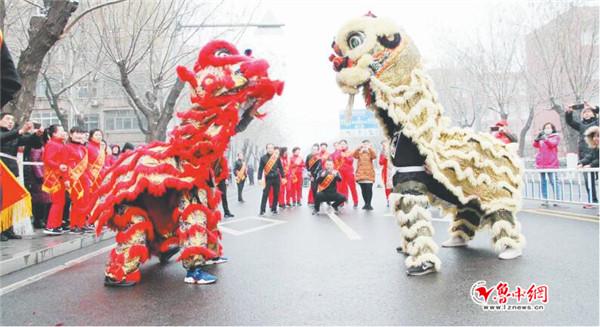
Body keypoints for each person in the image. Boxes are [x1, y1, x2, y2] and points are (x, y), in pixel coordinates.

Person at [0, 113, 43, 240]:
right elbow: (3, 138)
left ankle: (8, 229)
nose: (10, 122)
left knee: (11, 200)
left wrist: (36, 135)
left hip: (11, 170)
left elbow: (33, 144)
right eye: (7, 119)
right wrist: (20, 131)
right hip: (1, 171)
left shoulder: (15, 135)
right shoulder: (9, 134)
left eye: (12, 119)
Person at [566, 102, 599, 206]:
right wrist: (569, 112)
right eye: (584, 112)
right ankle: (592, 200)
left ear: (594, 113)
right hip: (585, 155)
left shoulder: (597, 123)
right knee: (588, 180)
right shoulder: (581, 125)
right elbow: (570, 122)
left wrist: (594, 107)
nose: (587, 113)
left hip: (597, 154)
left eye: (589, 111)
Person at [42, 125, 69, 235]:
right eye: (61, 130)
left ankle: (57, 225)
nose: (63, 132)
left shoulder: (61, 144)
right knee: (57, 202)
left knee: (61, 202)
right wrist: (59, 166)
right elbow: (47, 160)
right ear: (54, 134)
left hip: (60, 176)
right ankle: (51, 226)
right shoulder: (52, 144)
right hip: (54, 177)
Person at [64, 126, 89, 234]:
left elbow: (86, 166)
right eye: (77, 133)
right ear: (71, 135)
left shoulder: (83, 149)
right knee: (76, 202)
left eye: (81, 133)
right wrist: (66, 179)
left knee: (84, 202)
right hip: (73, 178)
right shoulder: (67, 147)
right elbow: (64, 163)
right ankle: (74, 225)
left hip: (84, 178)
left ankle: (82, 223)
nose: (79, 135)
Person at [533, 123, 561, 205]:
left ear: (552, 128)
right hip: (542, 164)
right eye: (545, 128)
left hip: (551, 163)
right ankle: (545, 199)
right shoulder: (542, 137)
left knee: (554, 182)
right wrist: (537, 139)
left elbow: (552, 144)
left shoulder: (556, 137)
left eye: (549, 127)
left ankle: (557, 199)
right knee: (543, 182)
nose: (547, 129)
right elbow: (535, 145)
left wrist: (545, 139)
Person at [258, 143, 285, 215]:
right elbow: (260, 169)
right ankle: (262, 210)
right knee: (265, 194)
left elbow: (281, 168)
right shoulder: (263, 158)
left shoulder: (276, 157)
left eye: (271, 148)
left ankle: (274, 208)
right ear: (266, 149)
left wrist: (283, 176)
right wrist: (259, 178)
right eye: (268, 148)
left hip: (276, 178)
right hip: (268, 178)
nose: (270, 149)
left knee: (276, 194)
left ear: (273, 149)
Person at [577, 125, 599, 208]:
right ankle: (593, 200)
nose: (595, 138)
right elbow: (589, 156)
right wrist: (581, 163)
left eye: (598, 136)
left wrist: (591, 165)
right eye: (593, 136)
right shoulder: (594, 148)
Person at [353, 140, 377, 210]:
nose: (365, 145)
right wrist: (358, 148)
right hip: (361, 173)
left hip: (369, 173)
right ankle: (366, 203)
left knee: (369, 189)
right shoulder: (359, 152)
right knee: (363, 189)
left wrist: (369, 148)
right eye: (364, 144)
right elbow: (354, 155)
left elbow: (375, 156)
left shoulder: (370, 152)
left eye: (367, 144)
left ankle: (369, 204)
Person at [337, 140, 359, 208]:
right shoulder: (338, 153)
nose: (342, 145)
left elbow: (350, 161)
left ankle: (355, 201)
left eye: (344, 144)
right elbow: (335, 162)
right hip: (341, 172)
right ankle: (341, 202)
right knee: (340, 187)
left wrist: (345, 156)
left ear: (347, 145)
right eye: (341, 144)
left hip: (349, 172)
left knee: (352, 187)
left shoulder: (349, 152)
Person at [379, 140, 392, 206]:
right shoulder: (382, 153)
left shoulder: (393, 149)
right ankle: (388, 199)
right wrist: (385, 158)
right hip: (386, 172)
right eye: (383, 143)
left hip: (393, 170)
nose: (384, 144)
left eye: (385, 143)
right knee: (387, 187)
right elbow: (380, 162)